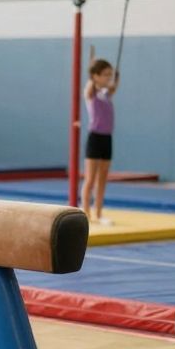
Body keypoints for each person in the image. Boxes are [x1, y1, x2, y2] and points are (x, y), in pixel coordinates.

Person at [79, 55, 119, 224]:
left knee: (102, 178)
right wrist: (92, 72)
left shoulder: (106, 94)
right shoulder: (91, 93)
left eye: (110, 75)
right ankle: (86, 212)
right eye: (105, 75)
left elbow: (113, 87)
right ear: (95, 76)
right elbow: (90, 85)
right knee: (90, 178)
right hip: (94, 138)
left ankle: (99, 213)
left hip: (107, 139)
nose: (108, 78)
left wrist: (115, 77)